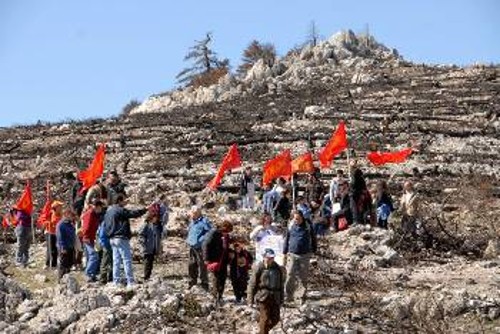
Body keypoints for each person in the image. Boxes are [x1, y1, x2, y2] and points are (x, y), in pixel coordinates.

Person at [104, 194, 147, 289]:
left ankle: (116, 281)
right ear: (119, 201)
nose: (125, 202)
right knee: (126, 260)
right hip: (121, 238)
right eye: (124, 200)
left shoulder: (108, 211)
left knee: (116, 261)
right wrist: (145, 210)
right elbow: (132, 214)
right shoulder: (119, 209)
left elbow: (105, 226)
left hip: (112, 239)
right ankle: (130, 282)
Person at [248, 248, 285, 334]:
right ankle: (263, 329)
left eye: (272, 257)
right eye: (268, 257)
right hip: (263, 296)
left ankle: (262, 330)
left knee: (276, 319)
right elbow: (252, 284)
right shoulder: (259, 267)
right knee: (265, 318)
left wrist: (282, 299)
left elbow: (281, 285)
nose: (270, 259)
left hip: (275, 296)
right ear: (264, 257)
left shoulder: (278, 268)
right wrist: (250, 300)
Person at [283, 210, 317, 305]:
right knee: (290, 275)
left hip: (305, 255)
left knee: (303, 276)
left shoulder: (307, 226)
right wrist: (284, 252)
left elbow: (313, 238)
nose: (296, 221)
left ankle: (301, 296)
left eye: (297, 219)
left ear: (302, 218)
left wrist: (314, 250)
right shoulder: (290, 226)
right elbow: (287, 238)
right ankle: (288, 296)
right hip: (292, 253)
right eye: (294, 219)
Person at [202, 221, 233, 305]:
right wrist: (206, 259)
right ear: (222, 228)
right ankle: (215, 298)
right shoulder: (213, 233)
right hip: (215, 260)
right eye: (225, 231)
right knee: (215, 279)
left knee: (223, 278)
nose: (226, 233)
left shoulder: (226, 236)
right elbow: (205, 245)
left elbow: (226, 246)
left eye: (228, 232)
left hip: (223, 260)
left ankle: (220, 296)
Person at [186, 206, 212, 290]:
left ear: (197, 213)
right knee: (191, 265)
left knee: (202, 266)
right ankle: (192, 282)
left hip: (200, 247)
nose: (191, 215)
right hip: (192, 246)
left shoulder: (204, 221)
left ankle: (204, 284)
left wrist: (200, 241)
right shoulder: (192, 221)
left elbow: (209, 233)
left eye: (192, 213)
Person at [138, 203, 163, 281]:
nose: (156, 219)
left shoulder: (158, 226)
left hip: (153, 248)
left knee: (150, 263)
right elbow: (140, 235)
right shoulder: (147, 225)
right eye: (154, 217)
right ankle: (146, 276)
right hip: (147, 248)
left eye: (157, 217)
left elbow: (159, 237)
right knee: (147, 263)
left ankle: (148, 276)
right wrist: (144, 243)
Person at [81, 199, 104, 282]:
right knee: (94, 256)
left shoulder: (94, 214)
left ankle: (92, 275)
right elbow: (86, 226)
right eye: (101, 207)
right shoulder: (90, 213)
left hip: (91, 238)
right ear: (97, 207)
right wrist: (86, 237)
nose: (101, 210)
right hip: (88, 238)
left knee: (89, 257)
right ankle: (88, 273)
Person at [56, 209, 76, 280]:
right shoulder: (61, 225)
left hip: (70, 246)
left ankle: (67, 279)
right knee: (63, 265)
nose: (72, 217)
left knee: (69, 264)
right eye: (70, 215)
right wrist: (63, 248)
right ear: (66, 215)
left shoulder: (70, 224)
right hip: (64, 247)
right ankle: (61, 280)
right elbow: (60, 237)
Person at [44, 201, 63, 269]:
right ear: (55, 207)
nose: (61, 208)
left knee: (55, 249)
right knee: (50, 249)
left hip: (57, 234)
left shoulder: (61, 215)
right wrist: (49, 223)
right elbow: (45, 220)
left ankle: (54, 264)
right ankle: (47, 264)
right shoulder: (50, 213)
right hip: (50, 233)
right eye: (59, 206)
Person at [96, 219, 113, 285]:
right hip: (107, 245)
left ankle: (110, 277)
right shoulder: (105, 222)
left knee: (111, 262)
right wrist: (105, 245)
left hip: (111, 245)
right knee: (105, 262)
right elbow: (102, 235)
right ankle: (103, 279)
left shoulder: (109, 221)